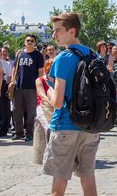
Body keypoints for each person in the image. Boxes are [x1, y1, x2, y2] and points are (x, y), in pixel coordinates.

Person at [43, 12, 100, 195]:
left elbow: (58, 103)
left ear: (72, 31)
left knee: (58, 186)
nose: (54, 35)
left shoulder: (63, 58)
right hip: (90, 127)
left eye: (58, 31)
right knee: (88, 179)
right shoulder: (93, 54)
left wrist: (47, 91)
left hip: (66, 126)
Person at [9, 34, 44, 142]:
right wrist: (12, 81)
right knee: (16, 111)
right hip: (19, 87)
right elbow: (15, 68)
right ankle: (19, 133)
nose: (29, 42)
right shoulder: (20, 54)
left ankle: (29, 133)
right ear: (24, 42)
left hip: (32, 88)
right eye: (28, 40)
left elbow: (40, 72)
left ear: (34, 43)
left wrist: (39, 87)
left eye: (32, 41)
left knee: (30, 113)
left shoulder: (38, 55)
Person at [0, 47, 13, 137]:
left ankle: (4, 129)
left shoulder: (6, 63)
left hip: (3, 87)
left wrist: (8, 88)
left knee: (4, 110)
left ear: (1, 53)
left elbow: (9, 77)